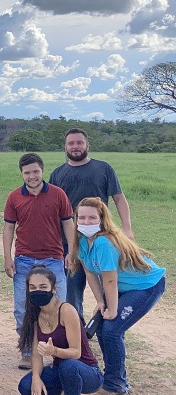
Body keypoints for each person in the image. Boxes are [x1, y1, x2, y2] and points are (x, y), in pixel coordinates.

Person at [72, 198, 166, 395]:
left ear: (102, 219)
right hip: (122, 286)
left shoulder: (103, 242)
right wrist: (100, 301)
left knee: (112, 329)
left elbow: (110, 280)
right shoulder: (81, 240)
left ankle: (115, 385)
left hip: (145, 285)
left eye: (92, 218)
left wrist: (112, 309)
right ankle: (115, 378)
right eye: (82, 217)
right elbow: (89, 272)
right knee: (101, 327)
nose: (86, 222)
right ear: (76, 219)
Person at [49, 128, 134, 319]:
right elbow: (53, 210)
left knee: (108, 283)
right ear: (65, 147)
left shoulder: (103, 168)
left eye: (79, 143)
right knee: (72, 288)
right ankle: (77, 330)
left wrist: (127, 229)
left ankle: (107, 321)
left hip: (100, 238)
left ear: (88, 145)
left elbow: (119, 199)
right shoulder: (57, 174)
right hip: (70, 241)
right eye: (71, 143)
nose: (75, 147)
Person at [4, 153, 74, 370]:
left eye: (35, 171)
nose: (32, 176)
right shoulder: (14, 197)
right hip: (24, 259)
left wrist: (71, 252)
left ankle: (58, 351)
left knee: (57, 305)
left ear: (42, 171)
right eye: (27, 173)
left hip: (53, 258)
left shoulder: (58, 194)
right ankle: (27, 350)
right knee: (22, 307)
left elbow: (68, 224)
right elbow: (8, 228)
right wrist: (8, 257)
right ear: (22, 174)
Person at [17, 266, 102, 395]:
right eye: (32, 288)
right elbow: (36, 353)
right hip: (61, 369)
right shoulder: (36, 316)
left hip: (87, 372)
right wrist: (35, 377)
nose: (37, 291)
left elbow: (76, 353)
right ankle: (59, 394)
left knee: (68, 365)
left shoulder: (67, 310)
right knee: (26, 386)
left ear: (54, 289)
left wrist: (53, 351)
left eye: (43, 287)